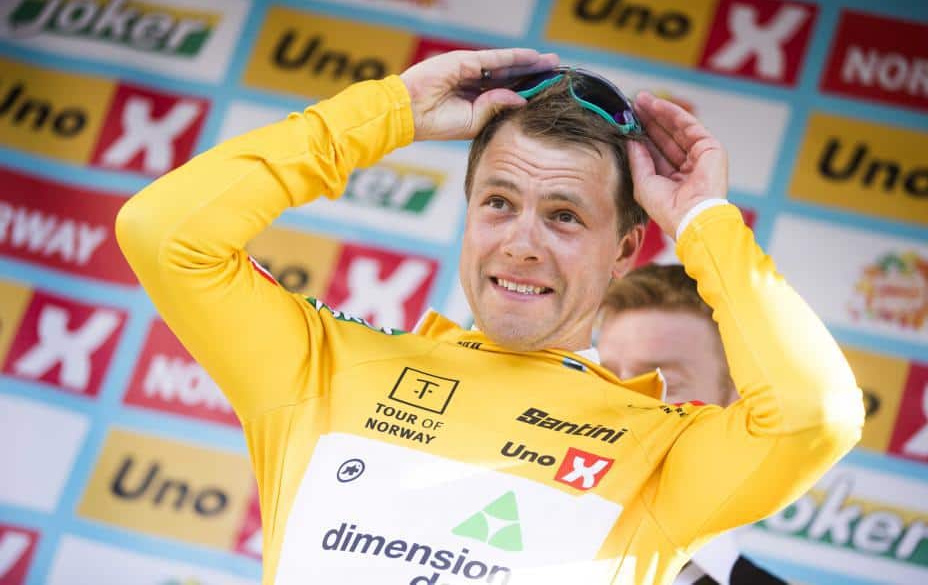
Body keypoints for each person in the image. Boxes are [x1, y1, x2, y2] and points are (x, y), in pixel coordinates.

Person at [115, 48, 864, 585]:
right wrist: (388, 113)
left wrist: (702, 219)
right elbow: (164, 233)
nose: (522, 243)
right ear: (468, 213)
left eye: (565, 216)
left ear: (624, 250)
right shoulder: (324, 368)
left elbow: (817, 414)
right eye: (499, 203)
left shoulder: (664, 454)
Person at [599, 263, 788, 584]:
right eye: (607, 377)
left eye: (663, 383)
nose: (623, 404)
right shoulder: (522, 536)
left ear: (738, 401)